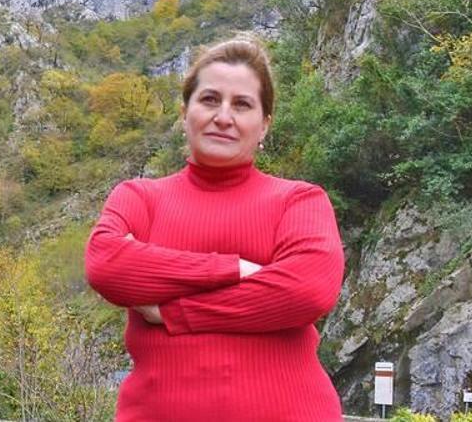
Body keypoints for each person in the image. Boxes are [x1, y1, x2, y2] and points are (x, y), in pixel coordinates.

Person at [85, 37, 344, 421]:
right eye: (209, 99)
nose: (224, 116)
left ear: (264, 125)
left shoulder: (299, 201)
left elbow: (307, 291)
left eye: (242, 104)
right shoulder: (140, 197)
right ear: (185, 113)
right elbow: (106, 265)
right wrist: (235, 269)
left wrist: (175, 314)